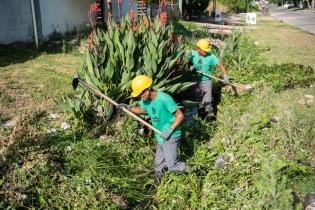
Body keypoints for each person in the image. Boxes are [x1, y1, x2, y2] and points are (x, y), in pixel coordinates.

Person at [117, 75, 188, 179]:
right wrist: (129, 108)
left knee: (173, 166)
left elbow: (180, 116)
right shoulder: (144, 101)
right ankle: (159, 188)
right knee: (159, 168)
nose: (139, 97)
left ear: (147, 90)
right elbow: (143, 110)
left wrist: (169, 130)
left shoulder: (164, 98)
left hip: (170, 135)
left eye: (140, 93)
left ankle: (201, 170)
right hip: (160, 136)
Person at [188, 38, 230, 120]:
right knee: (198, 100)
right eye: (203, 50)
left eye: (206, 50)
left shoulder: (211, 56)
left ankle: (210, 118)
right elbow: (189, 63)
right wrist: (192, 68)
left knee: (207, 100)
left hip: (206, 80)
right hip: (196, 80)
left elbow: (220, 65)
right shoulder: (193, 54)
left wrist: (225, 75)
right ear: (199, 49)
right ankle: (200, 116)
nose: (205, 52)